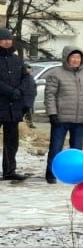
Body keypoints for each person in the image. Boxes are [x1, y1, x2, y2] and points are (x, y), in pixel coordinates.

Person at [44, 46, 83, 184]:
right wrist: (52, 113)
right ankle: (51, 173)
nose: (75, 60)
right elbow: (50, 95)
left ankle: (75, 174)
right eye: (73, 57)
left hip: (80, 119)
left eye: (78, 57)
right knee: (56, 147)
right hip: (61, 117)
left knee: (77, 149)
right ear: (67, 58)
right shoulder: (56, 73)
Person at [0, 27, 32, 181]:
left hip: (13, 108)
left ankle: (9, 170)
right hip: (1, 103)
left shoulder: (17, 59)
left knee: (11, 141)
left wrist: (20, 90)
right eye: (3, 39)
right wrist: (10, 91)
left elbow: (26, 78)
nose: (7, 42)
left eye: (9, 39)